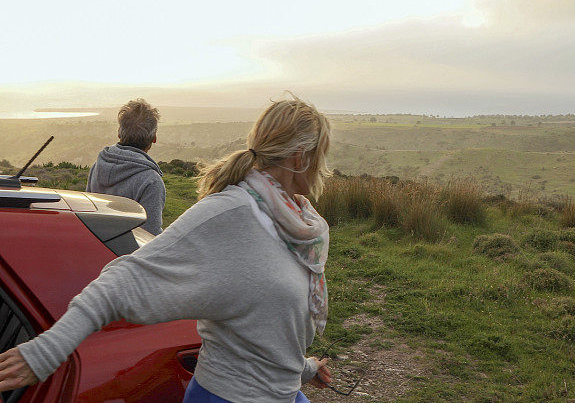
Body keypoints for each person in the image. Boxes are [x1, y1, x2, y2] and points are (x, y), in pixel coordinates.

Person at [0, 97, 335, 402]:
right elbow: (124, 279)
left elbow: (267, 318)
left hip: (284, 392)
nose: (324, 165)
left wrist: (302, 368)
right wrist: (44, 353)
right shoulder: (232, 213)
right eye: (322, 154)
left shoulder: (302, 224)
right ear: (300, 156)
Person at [87, 98, 165, 235]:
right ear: (154, 138)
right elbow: (150, 234)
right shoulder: (151, 181)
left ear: (119, 133)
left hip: (96, 248)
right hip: (127, 254)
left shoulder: (98, 166)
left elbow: (87, 214)